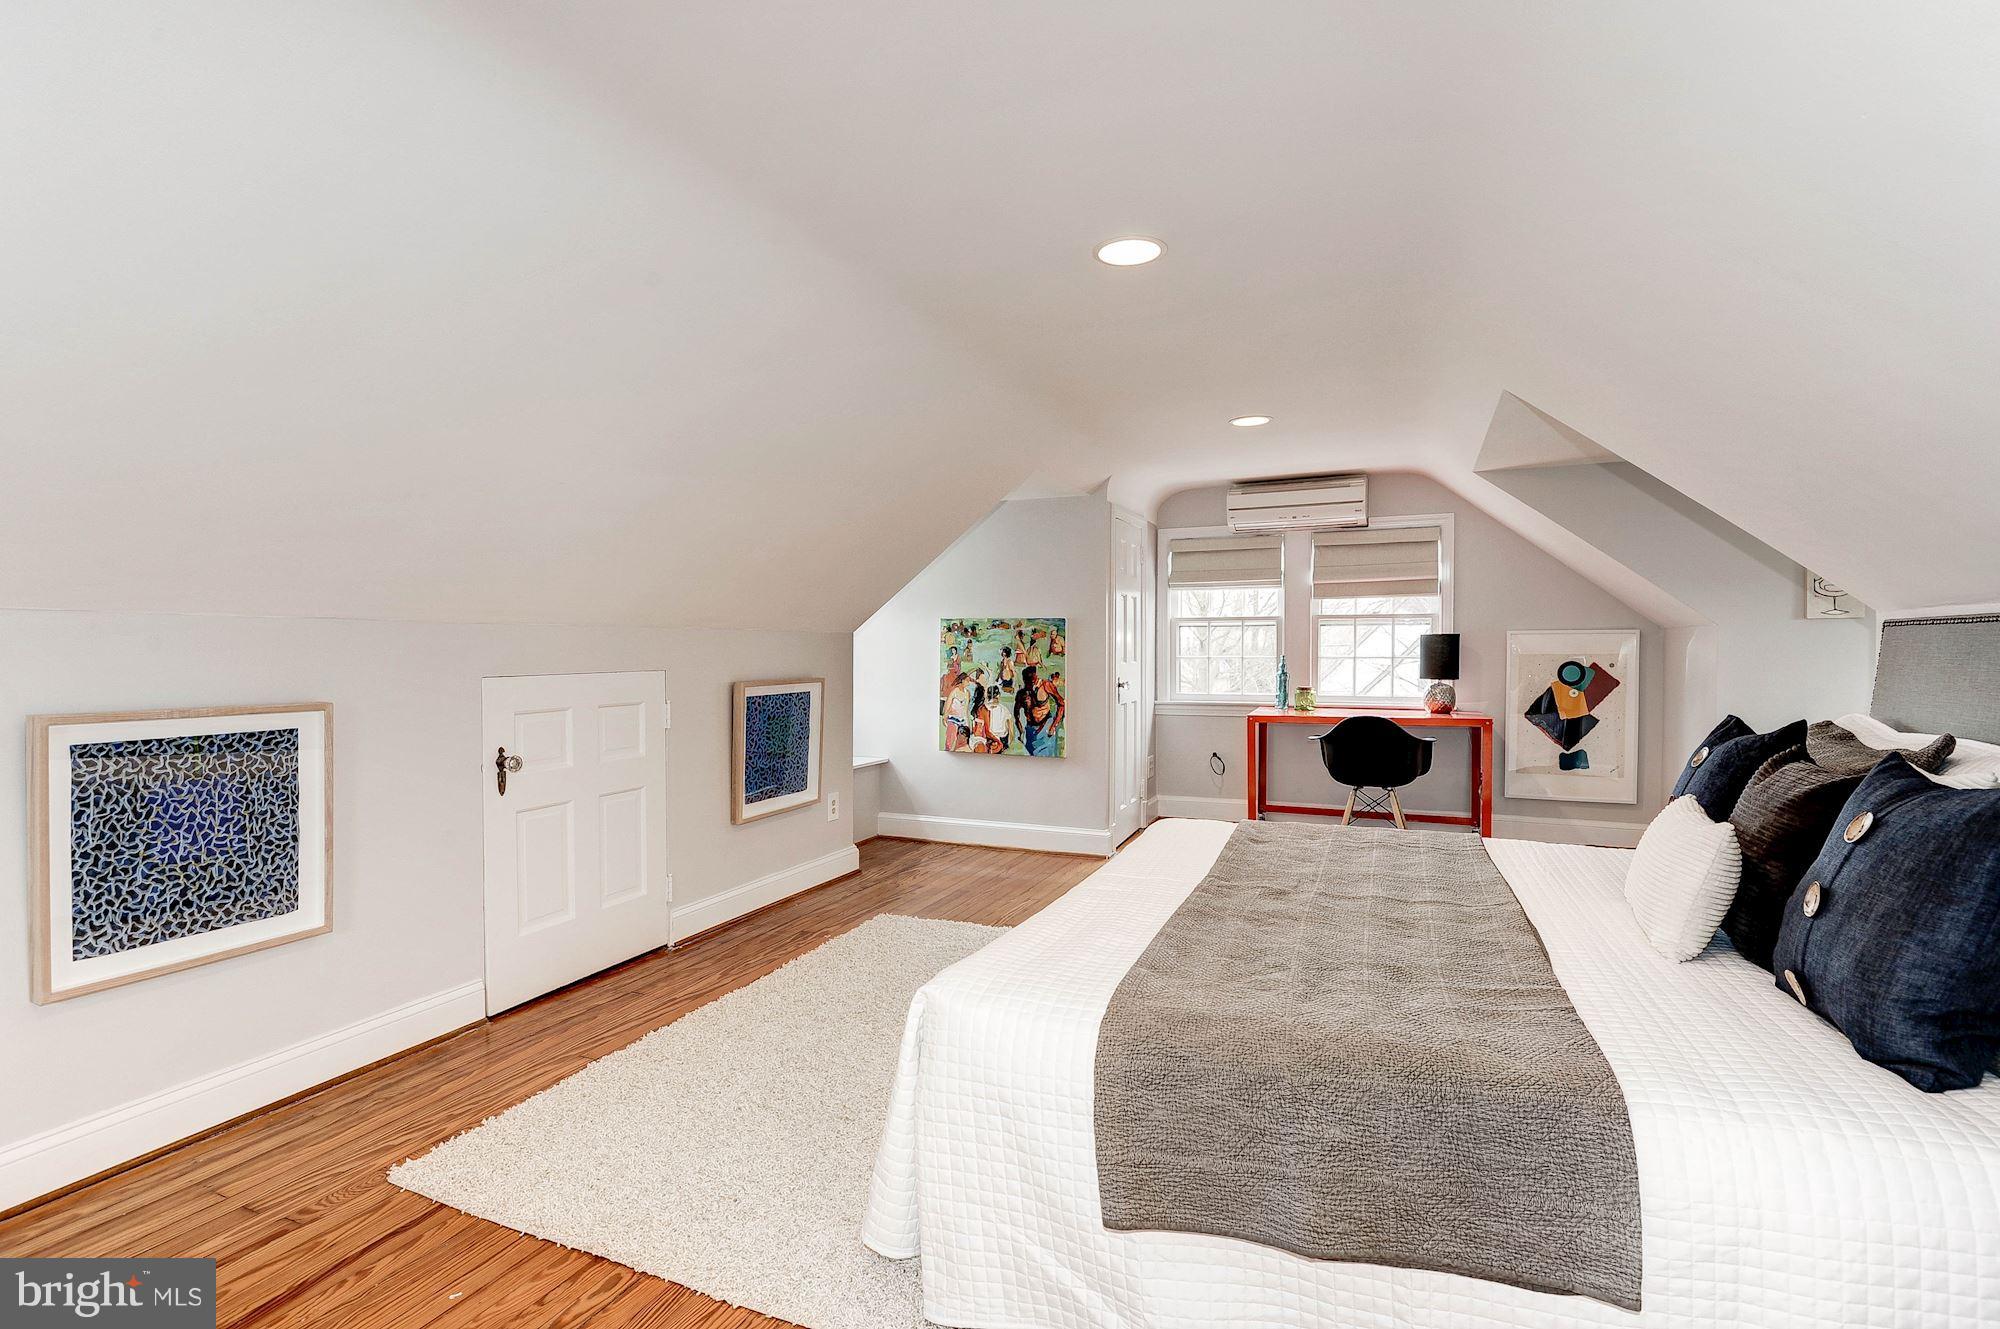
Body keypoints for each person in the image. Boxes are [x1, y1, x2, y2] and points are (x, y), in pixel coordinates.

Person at [942, 670, 974, 751]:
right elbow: (947, 706)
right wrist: (944, 717)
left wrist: (968, 725)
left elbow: (966, 710)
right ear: (962, 680)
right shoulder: (954, 691)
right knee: (950, 742)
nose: (969, 683)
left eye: (969, 681)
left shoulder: (967, 693)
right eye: (967, 681)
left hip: (962, 721)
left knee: (961, 744)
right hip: (953, 720)